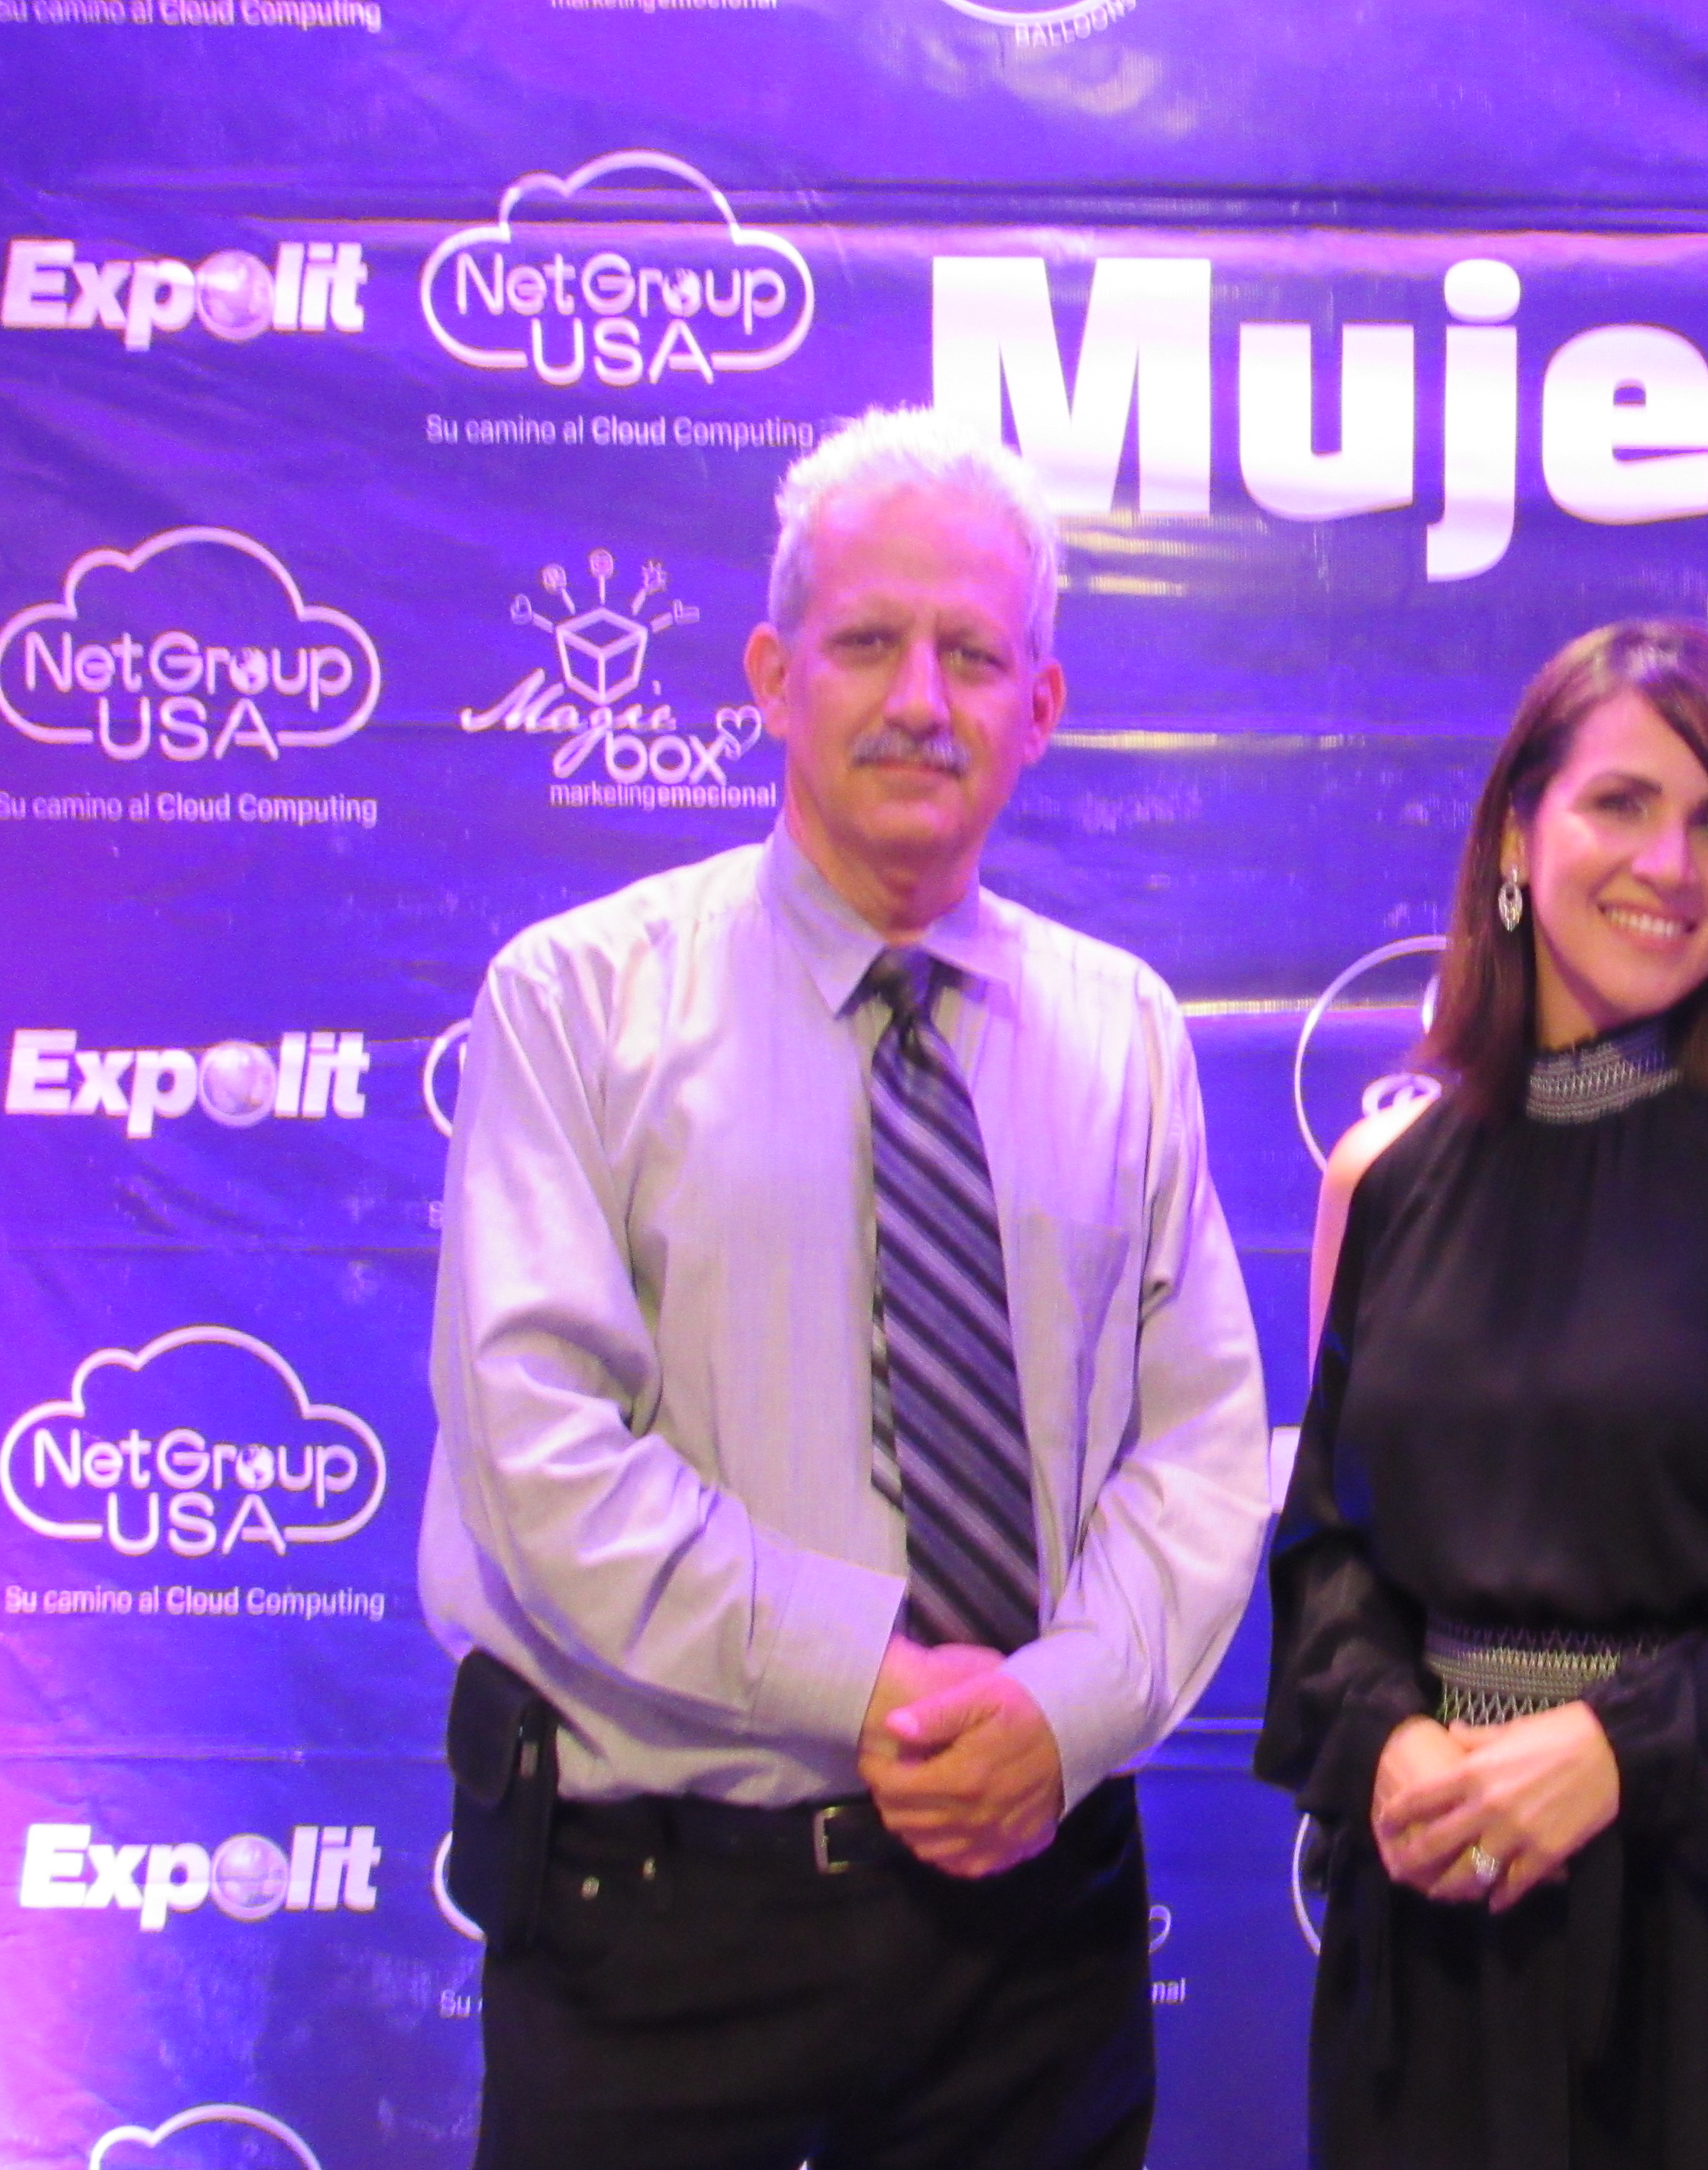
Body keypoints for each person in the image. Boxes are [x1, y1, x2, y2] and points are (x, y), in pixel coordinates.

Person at [419, 407, 1273, 2170]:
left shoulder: (1124, 1032)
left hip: (1034, 1937)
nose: (920, 700)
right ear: (771, 675)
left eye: (976, 654)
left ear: (1043, 707)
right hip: (660, 1943)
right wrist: (869, 1679)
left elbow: (1198, 1450)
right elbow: (538, 1452)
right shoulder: (576, 1004)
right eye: (869, 641)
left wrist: (1058, 1712)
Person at [1257, 621, 1708, 2170]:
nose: (1672, 865)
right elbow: (1329, 1552)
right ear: (1520, 833)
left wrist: (1616, 1754)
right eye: (1624, 804)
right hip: (1443, 1926)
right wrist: (1391, 1744)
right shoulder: (1381, 1176)